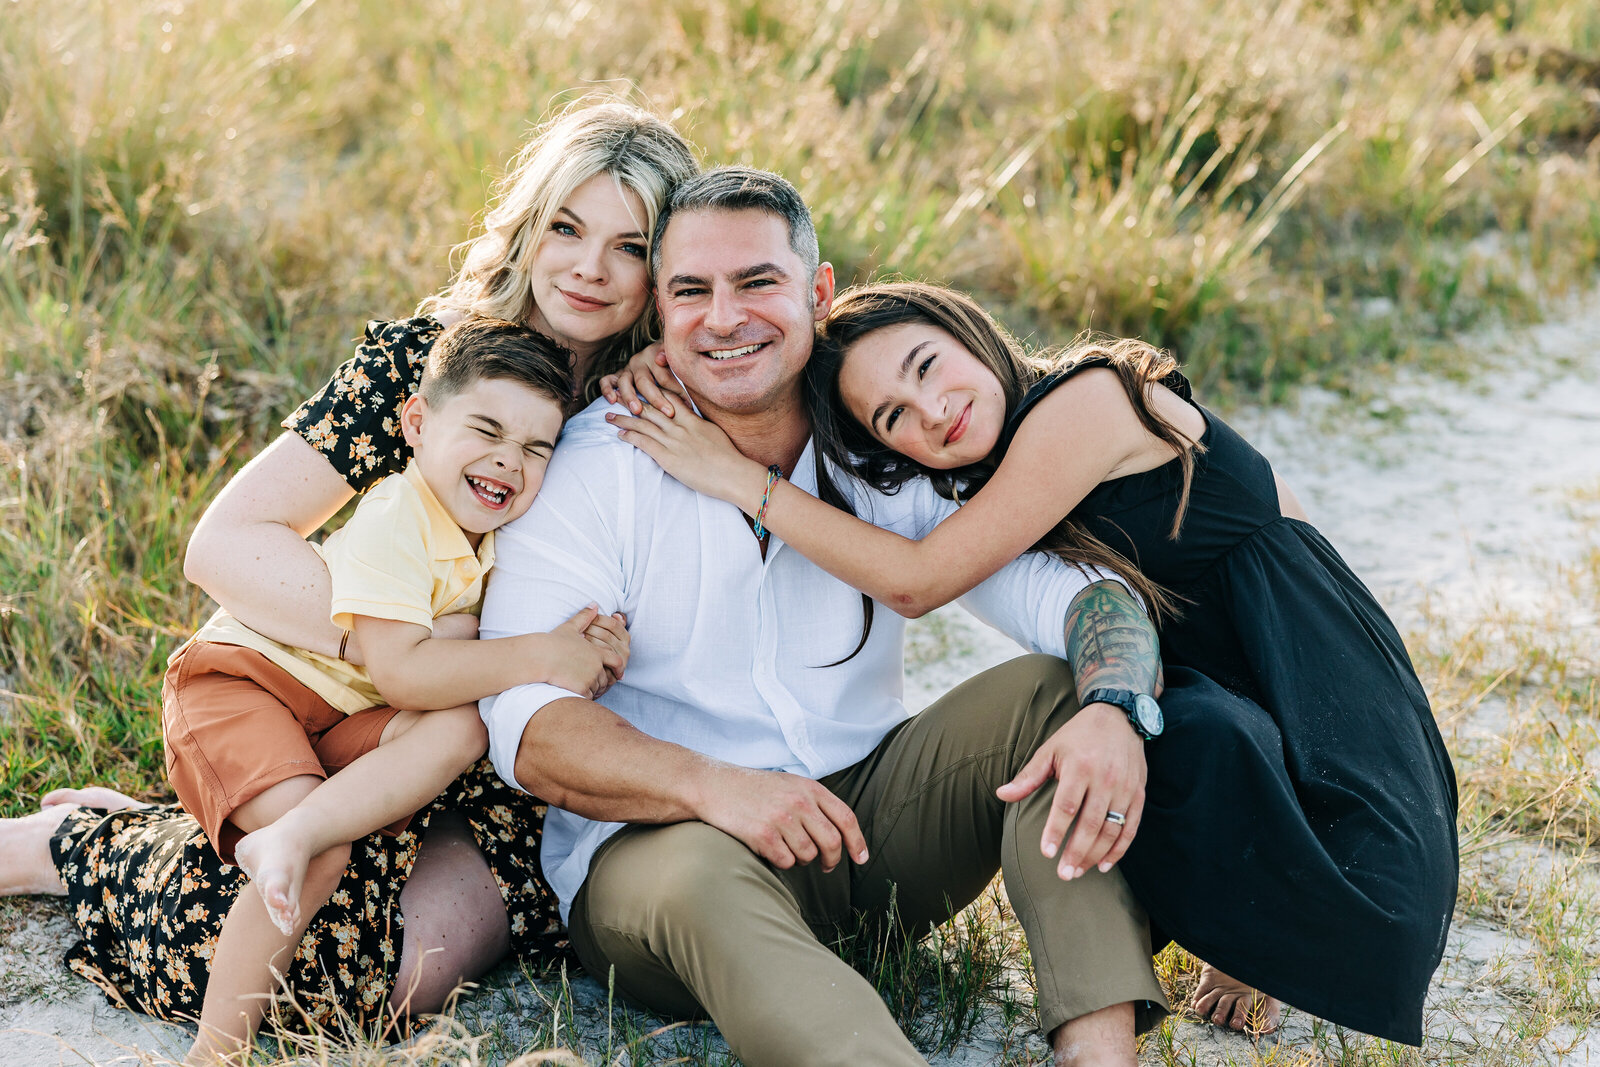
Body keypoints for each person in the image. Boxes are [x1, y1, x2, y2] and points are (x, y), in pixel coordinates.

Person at [0, 97, 697, 1038]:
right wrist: (404, 640)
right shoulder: (427, 367)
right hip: (384, 701)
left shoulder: (660, 400)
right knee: (287, 955)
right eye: (567, 226)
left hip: (512, 758)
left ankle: (181, 821)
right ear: (529, 227)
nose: (588, 266)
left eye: (630, 245)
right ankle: (78, 844)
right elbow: (227, 544)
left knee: (388, 980)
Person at [608, 279, 1460, 1045]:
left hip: (1303, 668)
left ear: (966, 329)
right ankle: (1234, 935)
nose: (931, 407)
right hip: (1208, 678)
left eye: (928, 365)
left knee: (1211, 754)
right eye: (895, 417)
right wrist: (688, 360)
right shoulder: (981, 476)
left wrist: (739, 479)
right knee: (1146, 726)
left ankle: (1253, 946)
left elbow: (914, 581)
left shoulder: (1084, 402)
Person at [479, 166, 1172, 1067]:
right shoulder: (593, 469)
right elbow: (529, 729)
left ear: (818, 291)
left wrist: (1116, 707)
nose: (724, 318)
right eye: (691, 290)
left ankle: (1098, 1055)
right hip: (664, 855)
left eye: (758, 282)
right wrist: (716, 788)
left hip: (868, 831)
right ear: (660, 312)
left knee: (1055, 696)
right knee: (696, 871)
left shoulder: (880, 446)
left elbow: (1078, 594)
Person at [167, 318, 634, 1064]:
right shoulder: (398, 514)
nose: (506, 461)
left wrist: (590, 646)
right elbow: (404, 673)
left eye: (534, 448)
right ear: (416, 422)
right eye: (485, 429)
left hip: (334, 714)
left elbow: (464, 659)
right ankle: (215, 1053)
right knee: (317, 850)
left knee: (462, 728)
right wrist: (546, 654)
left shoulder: (486, 534)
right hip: (243, 685)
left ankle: (265, 822)